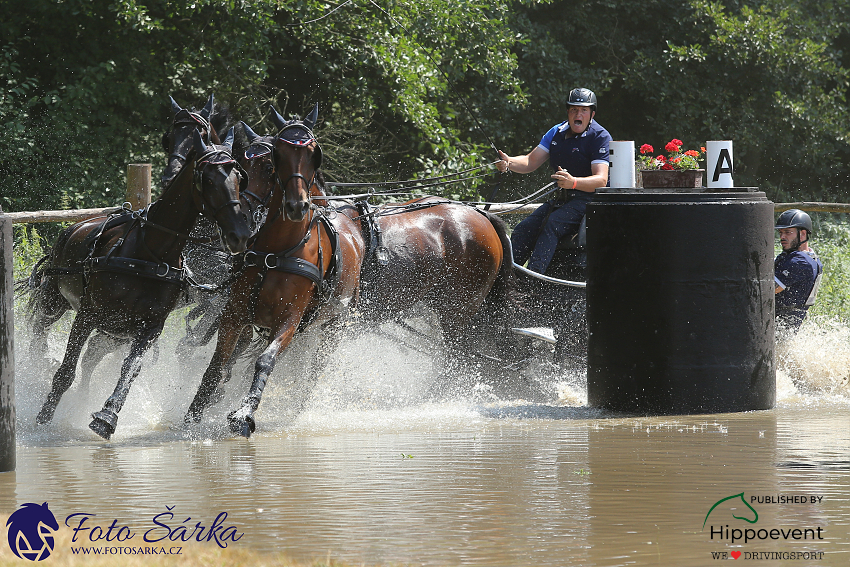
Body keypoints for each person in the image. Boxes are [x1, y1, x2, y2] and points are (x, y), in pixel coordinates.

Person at [496, 87, 612, 274]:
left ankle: (533, 280)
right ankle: (509, 281)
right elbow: (529, 162)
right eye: (574, 109)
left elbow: (601, 180)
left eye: (583, 110)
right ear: (568, 112)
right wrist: (508, 162)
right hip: (563, 199)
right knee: (522, 229)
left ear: (592, 114)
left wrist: (573, 182)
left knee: (552, 225)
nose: (578, 114)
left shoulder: (600, 137)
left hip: (589, 200)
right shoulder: (556, 132)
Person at [774, 209, 823, 332]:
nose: (782, 237)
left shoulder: (800, 261)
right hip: (785, 327)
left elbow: (767, 289)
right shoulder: (811, 257)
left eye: (788, 232)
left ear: (802, 234)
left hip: (779, 329)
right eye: (780, 232)